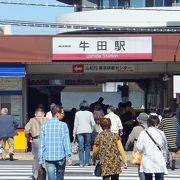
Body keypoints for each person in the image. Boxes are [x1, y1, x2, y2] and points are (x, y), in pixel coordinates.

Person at [39, 105, 73, 180]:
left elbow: (42, 144)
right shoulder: (64, 125)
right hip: (60, 157)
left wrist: (40, 160)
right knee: (60, 177)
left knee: (51, 178)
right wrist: (69, 157)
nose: (63, 115)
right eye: (62, 113)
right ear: (57, 114)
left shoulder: (44, 126)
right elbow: (66, 142)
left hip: (49, 157)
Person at [137, 115, 168, 180]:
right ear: (156, 124)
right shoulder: (161, 133)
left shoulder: (143, 133)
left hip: (148, 159)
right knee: (159, 176)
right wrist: (166, 159)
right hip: (159, 159)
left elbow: (139, 147)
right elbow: (165, 147)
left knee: (148, 177)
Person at [24, 108, 49, 180]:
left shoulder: (32, 120)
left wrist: (28, 136)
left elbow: (26, 129)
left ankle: (36, 175)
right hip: (46, 140)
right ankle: (46, 175)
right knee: (46, 157)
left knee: (36, 158)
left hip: (36, 140)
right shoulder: (47, 120)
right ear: (44, 114)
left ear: (35, 114)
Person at [125, 112, 149, 180]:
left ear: (139, 120)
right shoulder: (150, 128)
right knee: (148, 167)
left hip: (139, 151)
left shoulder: (136, 128)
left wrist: (126, 147)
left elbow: (130, 139)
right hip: (149, 150)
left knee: (140, 167)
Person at [73, 100, 95, 167]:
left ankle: (81, 162)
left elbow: (75, 124)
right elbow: (93, 123)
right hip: (88, 131)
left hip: (79, 131)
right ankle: (87, 162)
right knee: (87, 146)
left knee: (81, 147)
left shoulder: (77, 113)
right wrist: (92, 130)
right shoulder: (90, 113)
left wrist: (74, 134)